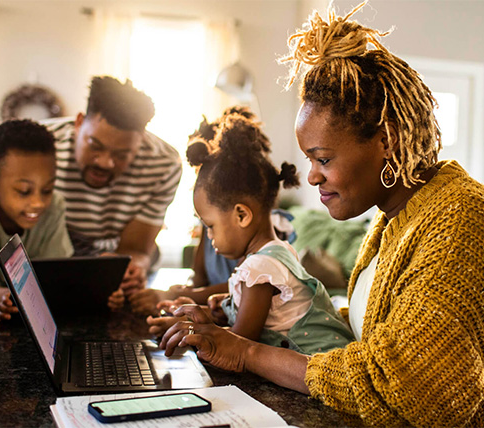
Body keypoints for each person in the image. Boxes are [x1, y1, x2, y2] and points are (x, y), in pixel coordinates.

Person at [155, 3, 484, 427]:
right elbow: (376, 331)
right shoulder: (393, 218)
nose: (312, 176)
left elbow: (415, 384)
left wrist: (248, 352)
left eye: (322, 158)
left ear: (387, 140)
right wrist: (237, 317)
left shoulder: (463, 218)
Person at [148, 113, 354, 355]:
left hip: (320, 369)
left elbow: (239, 344)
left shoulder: (260, 267)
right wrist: (226, 305)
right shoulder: (274, 253)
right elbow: (272, 315)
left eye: (211, 226)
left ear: (242, 216)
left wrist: (190, 329)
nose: (209, 236)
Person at [127, 108, 296, 315]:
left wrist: (172, 297)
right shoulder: (214, 225)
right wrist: (183, 298)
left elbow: (246, 289)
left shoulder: (266, 242)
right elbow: (199, 278)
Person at [42, 76, 182, 307]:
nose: (106, 163)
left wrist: (129, 268)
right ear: (78, 123)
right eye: (95, 146)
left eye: (122, 155)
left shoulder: (164, 163)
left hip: (115, 259)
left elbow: (136, 249)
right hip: (53, 254)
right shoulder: (42, 145)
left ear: (141, 141)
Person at [0, 119, 73, 322]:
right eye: (24, 191)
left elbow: (55, 277)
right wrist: (5, 297)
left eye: (47, 190)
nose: (38, 202)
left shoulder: (55, 206)